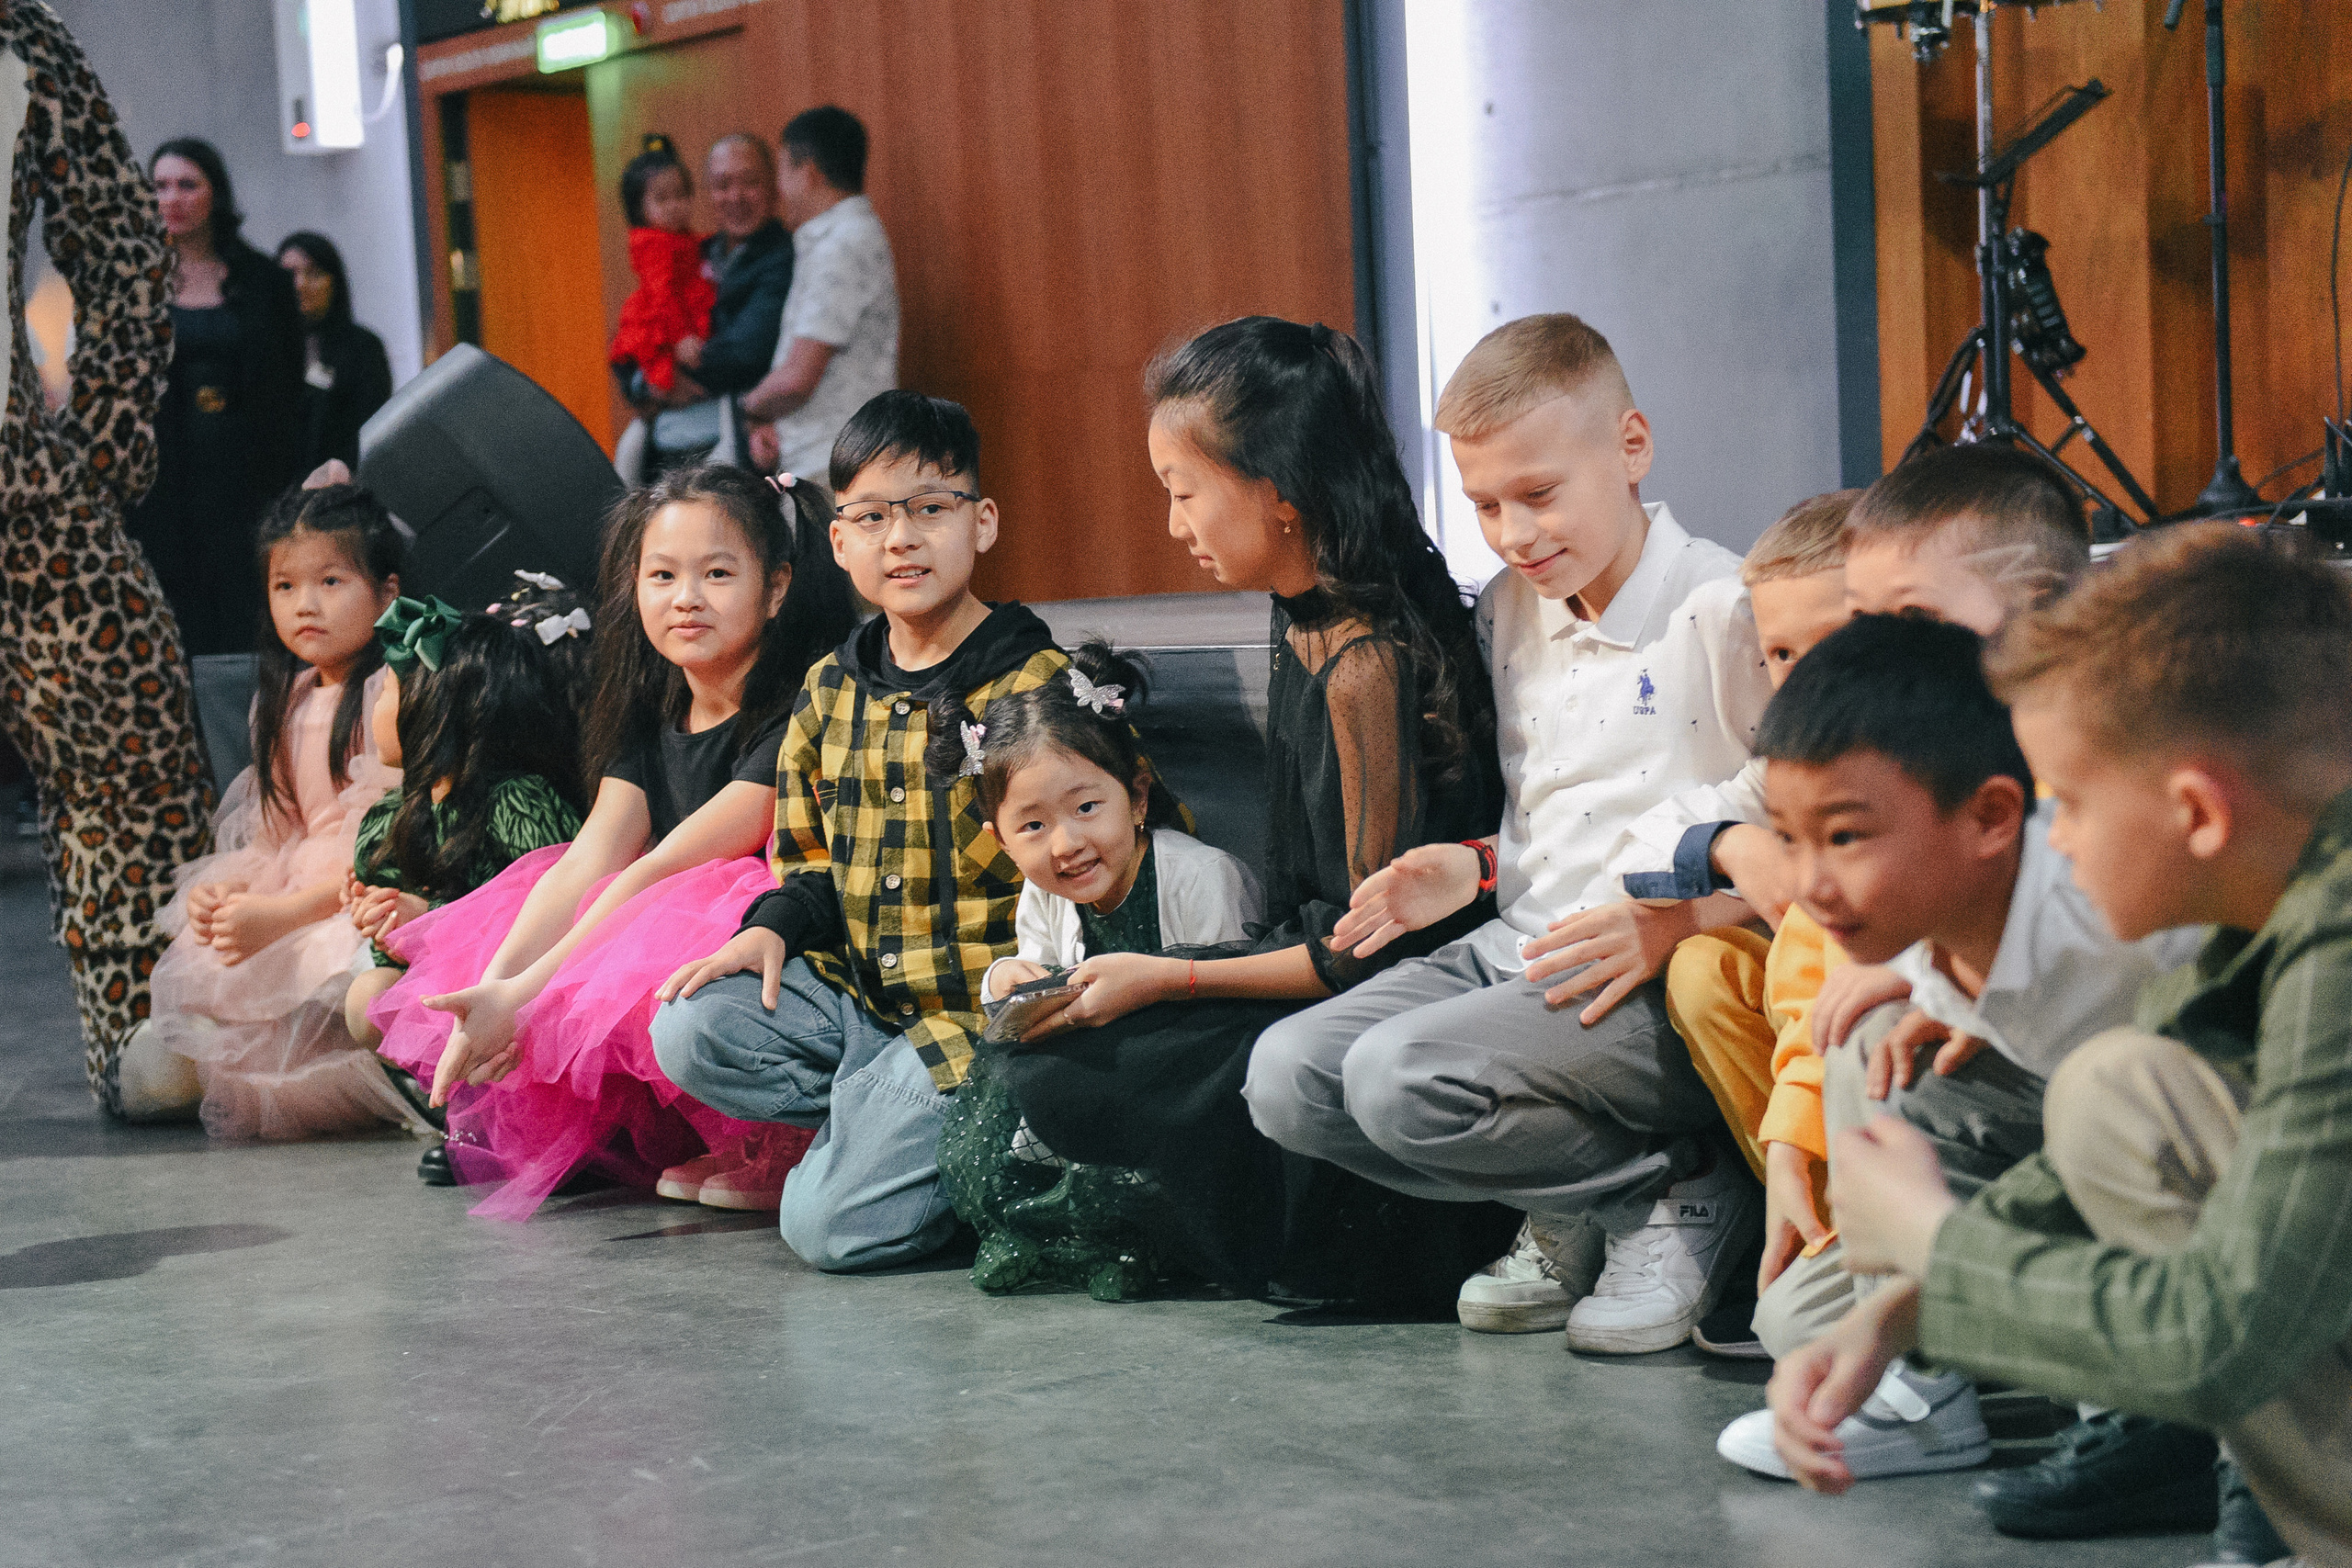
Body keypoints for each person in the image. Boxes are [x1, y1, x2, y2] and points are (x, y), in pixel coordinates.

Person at [1770, 525, 2352, 1567]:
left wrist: (1940, 1246)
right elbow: (2077, 1166)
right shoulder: (2284, 897)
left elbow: (2219, 1339)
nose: (2059, 841)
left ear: (2194, 813)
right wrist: (1900, 1315)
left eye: (2067, 802)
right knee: (2112, 1089)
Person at [1240, 312, 1772, 1350]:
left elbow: (1805, 825)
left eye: (1537, 495)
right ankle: (1591, 1198)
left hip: (1648, 972)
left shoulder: (1727, 605)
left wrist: (1688, 921)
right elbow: (1557, 806)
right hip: (1519, 944)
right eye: (1484, 505)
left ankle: (1684, 1190)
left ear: (1630, 448)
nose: (1513, 534)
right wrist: (1478, 863)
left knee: (1400, 1080)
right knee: (1288, 1079)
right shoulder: (1505, 614)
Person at [995, 318, 1515, 1312]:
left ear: (1276, 493)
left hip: (1384, 989)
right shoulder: (1299, 608)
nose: (1175, 523)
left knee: (1086, 1069)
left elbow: (1362, 952)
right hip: (1311, 963)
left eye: (1184, 491)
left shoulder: (1364, 658)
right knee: (1045, 1056)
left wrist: (1168, 981)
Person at [650, 389, 1167, 1270]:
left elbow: (1115, 866)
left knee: (826, 1230)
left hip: (980, 1021)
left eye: (932, 508)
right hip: (865, 1010)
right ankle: (890, 1131)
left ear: (984, 522)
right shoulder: (829, 688)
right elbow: (810, 859)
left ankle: (964, 1143)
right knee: (691, 1025)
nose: (903, 538)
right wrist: (772, 928)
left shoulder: (1038, 689)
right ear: (840, 540)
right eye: (874, 516)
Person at [1708, 612, 2200, 1483]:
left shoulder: (2116, 914)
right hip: (2118, 1160)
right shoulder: (1919, 921)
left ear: (1991, 818)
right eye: (1789, 838)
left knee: (2109, 1087)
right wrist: (1892, 1317)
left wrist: (1938, 1253)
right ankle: (1941, 1390)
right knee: (1804, 1319)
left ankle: (2177, 1428)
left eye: (1845, 836)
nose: (1810, 883)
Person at [369, 466, 854, 1214]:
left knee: (663, 918)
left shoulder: (797, 705)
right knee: (559, 883)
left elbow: (664, 865)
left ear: (778, 586)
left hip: (779, 922)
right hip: (662, 896)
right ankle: (646, 1137)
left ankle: (779, 1138)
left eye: (717, 573)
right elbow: (594, 855)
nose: (685, 597)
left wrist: (528, 996)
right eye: (661, 574)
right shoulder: (649, 703)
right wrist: (494, 986)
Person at [0, 0, 215, 1108]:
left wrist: (106, 441)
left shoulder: (26, 46)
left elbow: (125, 241)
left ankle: (146, 1036)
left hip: (22, 481)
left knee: (128, 734)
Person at [928, 642, 1262, 1300]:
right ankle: (1041, 1237)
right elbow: (1040, 981)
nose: (1067, 843)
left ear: (1137, 797)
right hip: (1101, 1067)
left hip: (1190, 1068)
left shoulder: (1200, 878)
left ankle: (1142, 1243)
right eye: (1032, 824)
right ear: (1000, 838)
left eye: (1087, 808)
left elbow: (1231, 1011)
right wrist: (1008, 981)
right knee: (1007, 1076)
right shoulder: (1045, 895)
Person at [1632, 490, 1856, 1358]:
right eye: (1782, 653)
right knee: (1704, 966)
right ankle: (1817, 1233)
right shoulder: (1795, 758)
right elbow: (1640, 849)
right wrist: (1730, 845)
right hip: (1823, 1048)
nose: (1804, 677)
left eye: (1830, 644)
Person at [116, 482, 411, 1138]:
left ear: (388, 592)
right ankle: (188, 1062)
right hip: (291, 895)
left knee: (323, 969)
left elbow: (382, 847)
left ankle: (387, 1076)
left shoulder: (389, 693)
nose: (305, 604)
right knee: (182, 1037)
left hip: (353, 902)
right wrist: (229, 890)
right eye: (285, 586)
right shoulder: (287, 696)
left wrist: (277, 917)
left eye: (331, 581)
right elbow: (273, 832)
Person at [341, 586, 592, 1055]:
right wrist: (386, 919)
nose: (373, 708)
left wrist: (429, 919)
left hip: (521, 977)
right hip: (440, 981)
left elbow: (556, 908)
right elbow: (393, 940)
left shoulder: (516, 801)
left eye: (388, 694)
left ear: (440, 709)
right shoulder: (394, 814)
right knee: (367, 994)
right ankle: (442, 1095)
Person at [130, 137, 305, 656]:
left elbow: (288, 394)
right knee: (173, 635)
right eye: (159, 186)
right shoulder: (133, 282)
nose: (172, 199)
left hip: (247, 482)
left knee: (248, 627)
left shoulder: (265, 282)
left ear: (216, 194)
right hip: (162, 490)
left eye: (188, 185)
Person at [618, 134, 796, 479]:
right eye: (722, 185)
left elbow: (747, 352)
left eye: (750, 182)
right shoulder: (694, 250)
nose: (736, 197)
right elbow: (636, 334)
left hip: (737, 447)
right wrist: (646, 383)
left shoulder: (783, 256)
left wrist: (679, 378)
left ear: (773, 187)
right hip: (671, 445)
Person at [741, 107, 897, 493]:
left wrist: (745, 409)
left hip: (834, 466)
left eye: (782, 173)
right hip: (831, 460)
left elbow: (798, 378)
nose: (780, 190)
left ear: (808, 173)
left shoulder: (842, 244)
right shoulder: (837, 237)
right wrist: (770, 423)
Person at [607, 135, 716, 435]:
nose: (675, 206)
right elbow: (663, 294)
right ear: (640, 208)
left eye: (681, 196)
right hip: (663, 321)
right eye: (662, 199)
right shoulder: (653, 245)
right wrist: (681, 338)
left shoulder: (677, 238)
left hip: (676, 312)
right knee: (663, 378)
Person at [275, 231, 392, 474]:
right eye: (289, 275)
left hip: (340, 489)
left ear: (334, 283)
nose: (300, 285)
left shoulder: (363, 348)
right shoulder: (262, 345)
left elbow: (373, 434)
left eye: (314, 274)